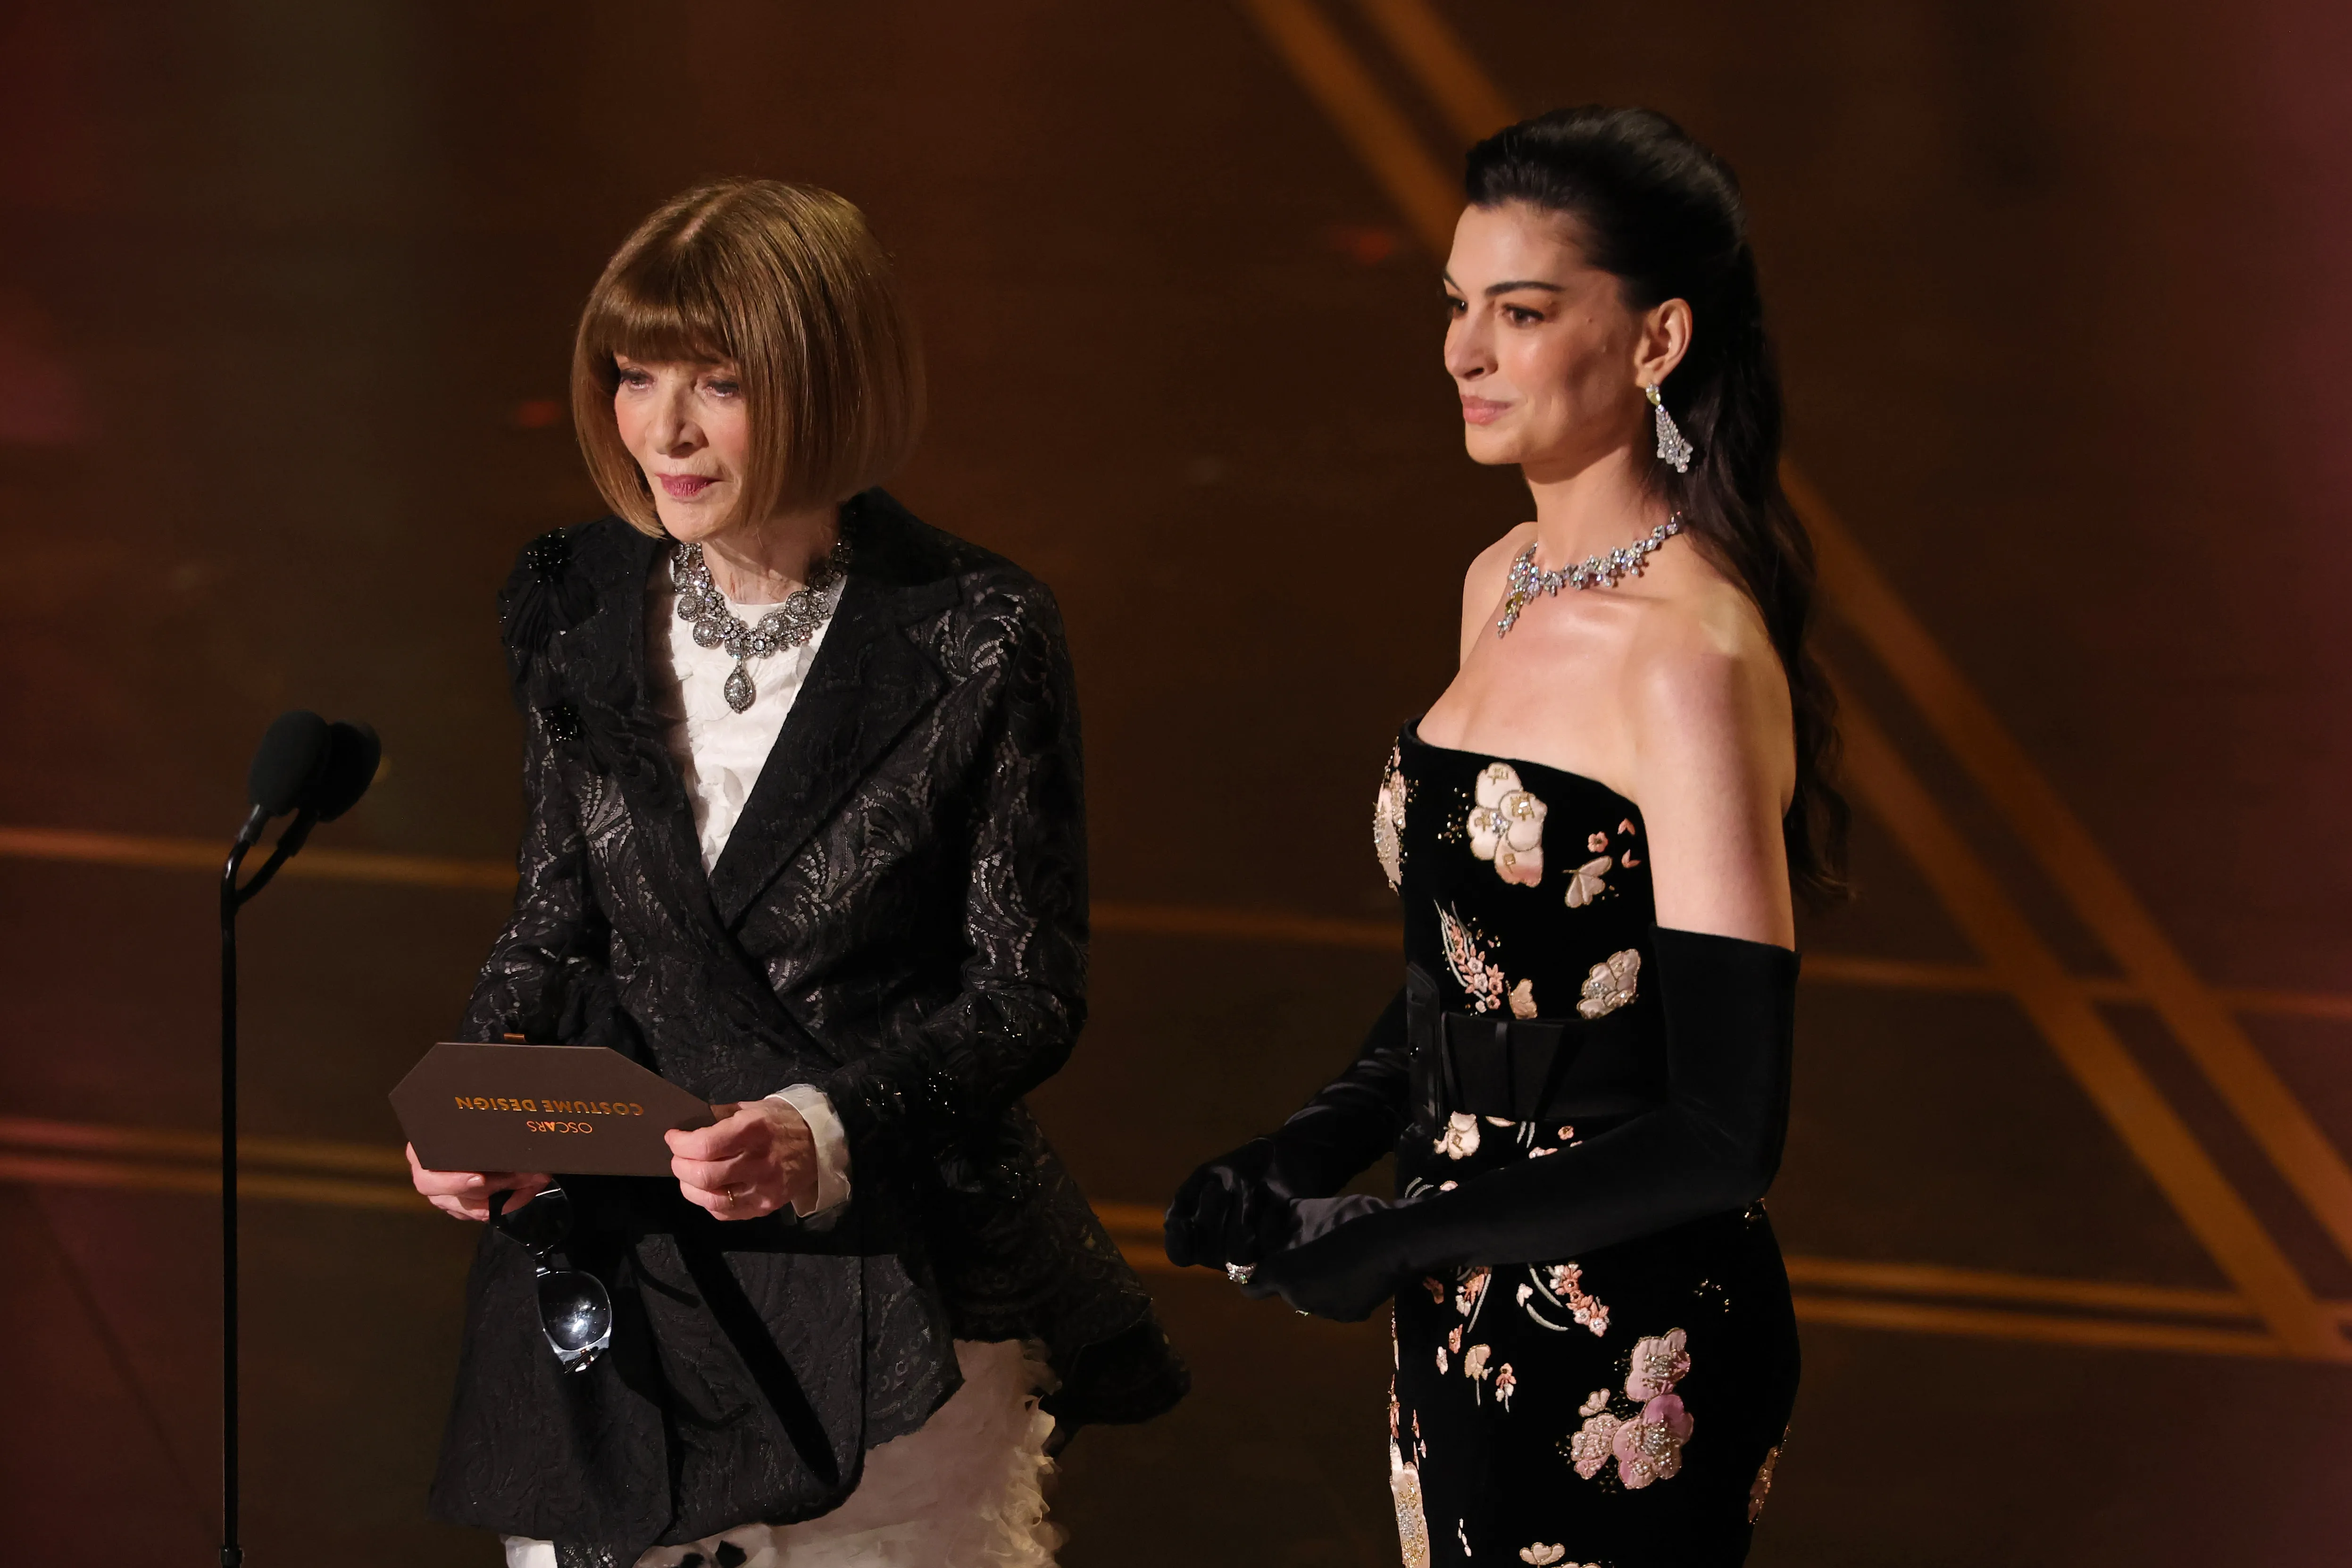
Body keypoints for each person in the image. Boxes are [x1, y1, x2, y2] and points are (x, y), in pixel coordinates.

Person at [406, 177, 1184, 1568]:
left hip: (875, 1270)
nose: (663, 428)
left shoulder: (978, 631)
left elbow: (1025, 996)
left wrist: (814, 1129)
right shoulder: (569, 594)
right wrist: (484, 1090)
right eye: (636, 376)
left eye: (718, 381)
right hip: (628, 1269)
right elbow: (554, 910)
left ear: (828, 382)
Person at [1164, 108, 1845, 1567]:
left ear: (1656, 340)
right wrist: (1307, 1150)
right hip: (1465, 1298)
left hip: (1627, 1334)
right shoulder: (1503, 582)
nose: (1464, 352)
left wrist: (1407, 1235)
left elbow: (1728, 1131)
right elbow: (1487, 975)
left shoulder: (1692, 659)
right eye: (1458, 306)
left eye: (1520, 312)